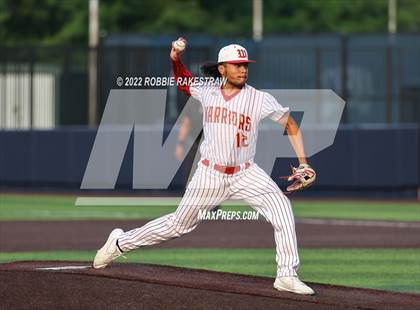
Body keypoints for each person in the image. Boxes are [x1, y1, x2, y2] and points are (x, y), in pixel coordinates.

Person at [93, 38, 317, 295]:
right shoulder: (207, 90)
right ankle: (119, 243)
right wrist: (175, 58)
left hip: (246, 172)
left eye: (245, 65)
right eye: (236, 65)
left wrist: (303, 163)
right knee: (178, 225)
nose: (243, 69)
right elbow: (182, 79)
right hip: (210, 174)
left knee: (282, 209)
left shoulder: (259, 98)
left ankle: (286, 275)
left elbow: (290, 124)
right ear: (222, 69)